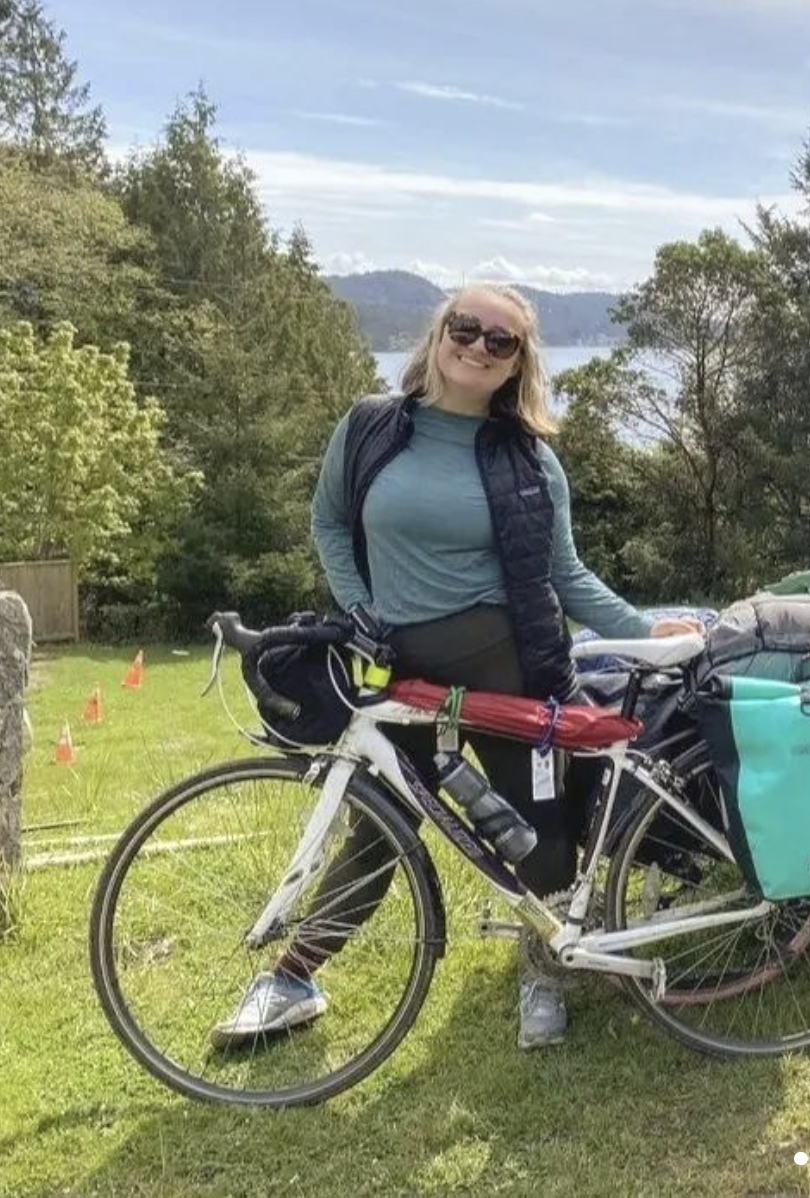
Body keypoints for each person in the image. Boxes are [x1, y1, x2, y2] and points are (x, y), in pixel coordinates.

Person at [211, 283, 699, 1051]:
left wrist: (644, 631)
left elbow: (565, 575)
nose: (477, 345)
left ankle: (545, 971)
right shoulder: (372, 427)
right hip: (399, 670)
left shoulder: (531, 458)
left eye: (499, 341)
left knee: (540, 835)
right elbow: (329, 522)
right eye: (465, 327)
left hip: (510, 668)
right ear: (439, 333)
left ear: (516, 365)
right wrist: (362, 609)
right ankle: (292, 977)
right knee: (379, 827)